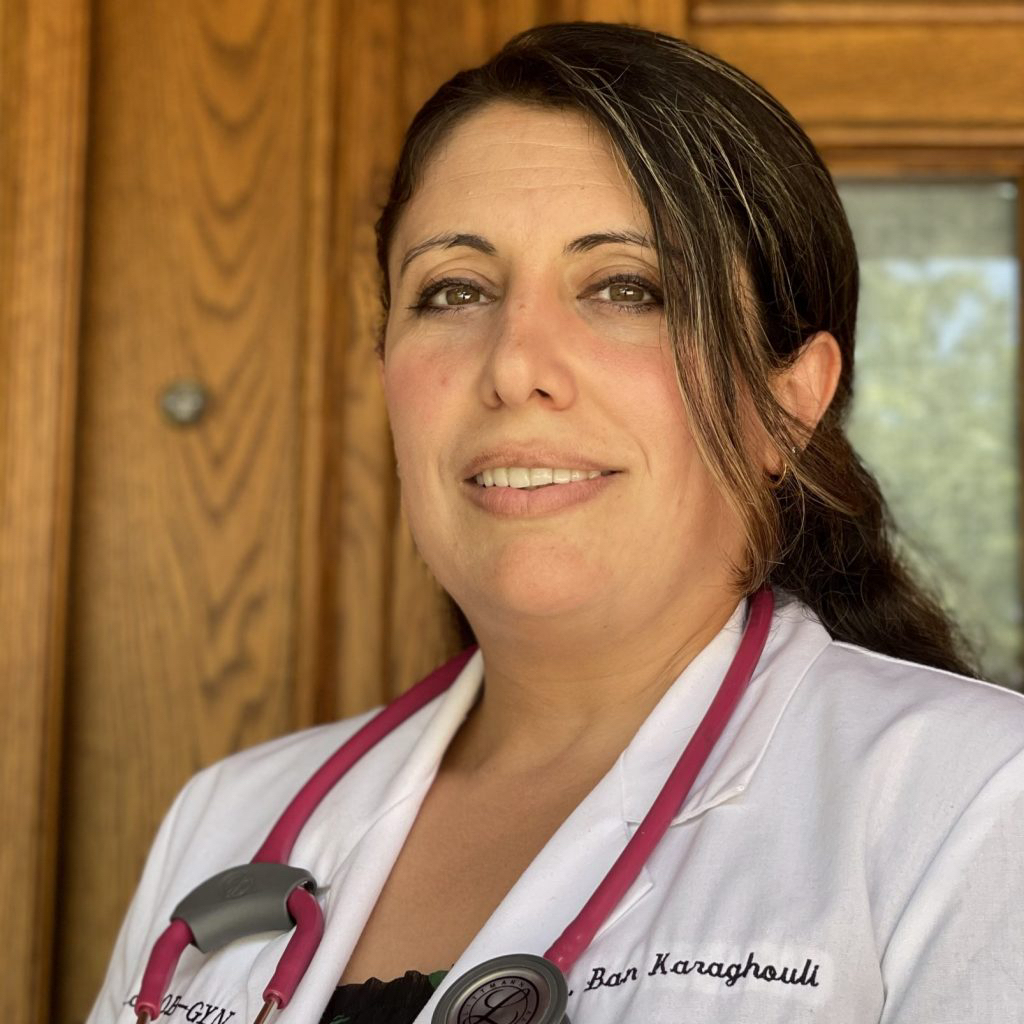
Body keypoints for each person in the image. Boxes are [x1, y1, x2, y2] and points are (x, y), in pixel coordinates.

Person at [88, 21, 1024, 1024]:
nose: (511, 365)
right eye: (454, 291)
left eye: (626, 288)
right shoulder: (225, 821)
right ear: (387, 372)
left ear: (787, 401)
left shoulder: (972, 802)